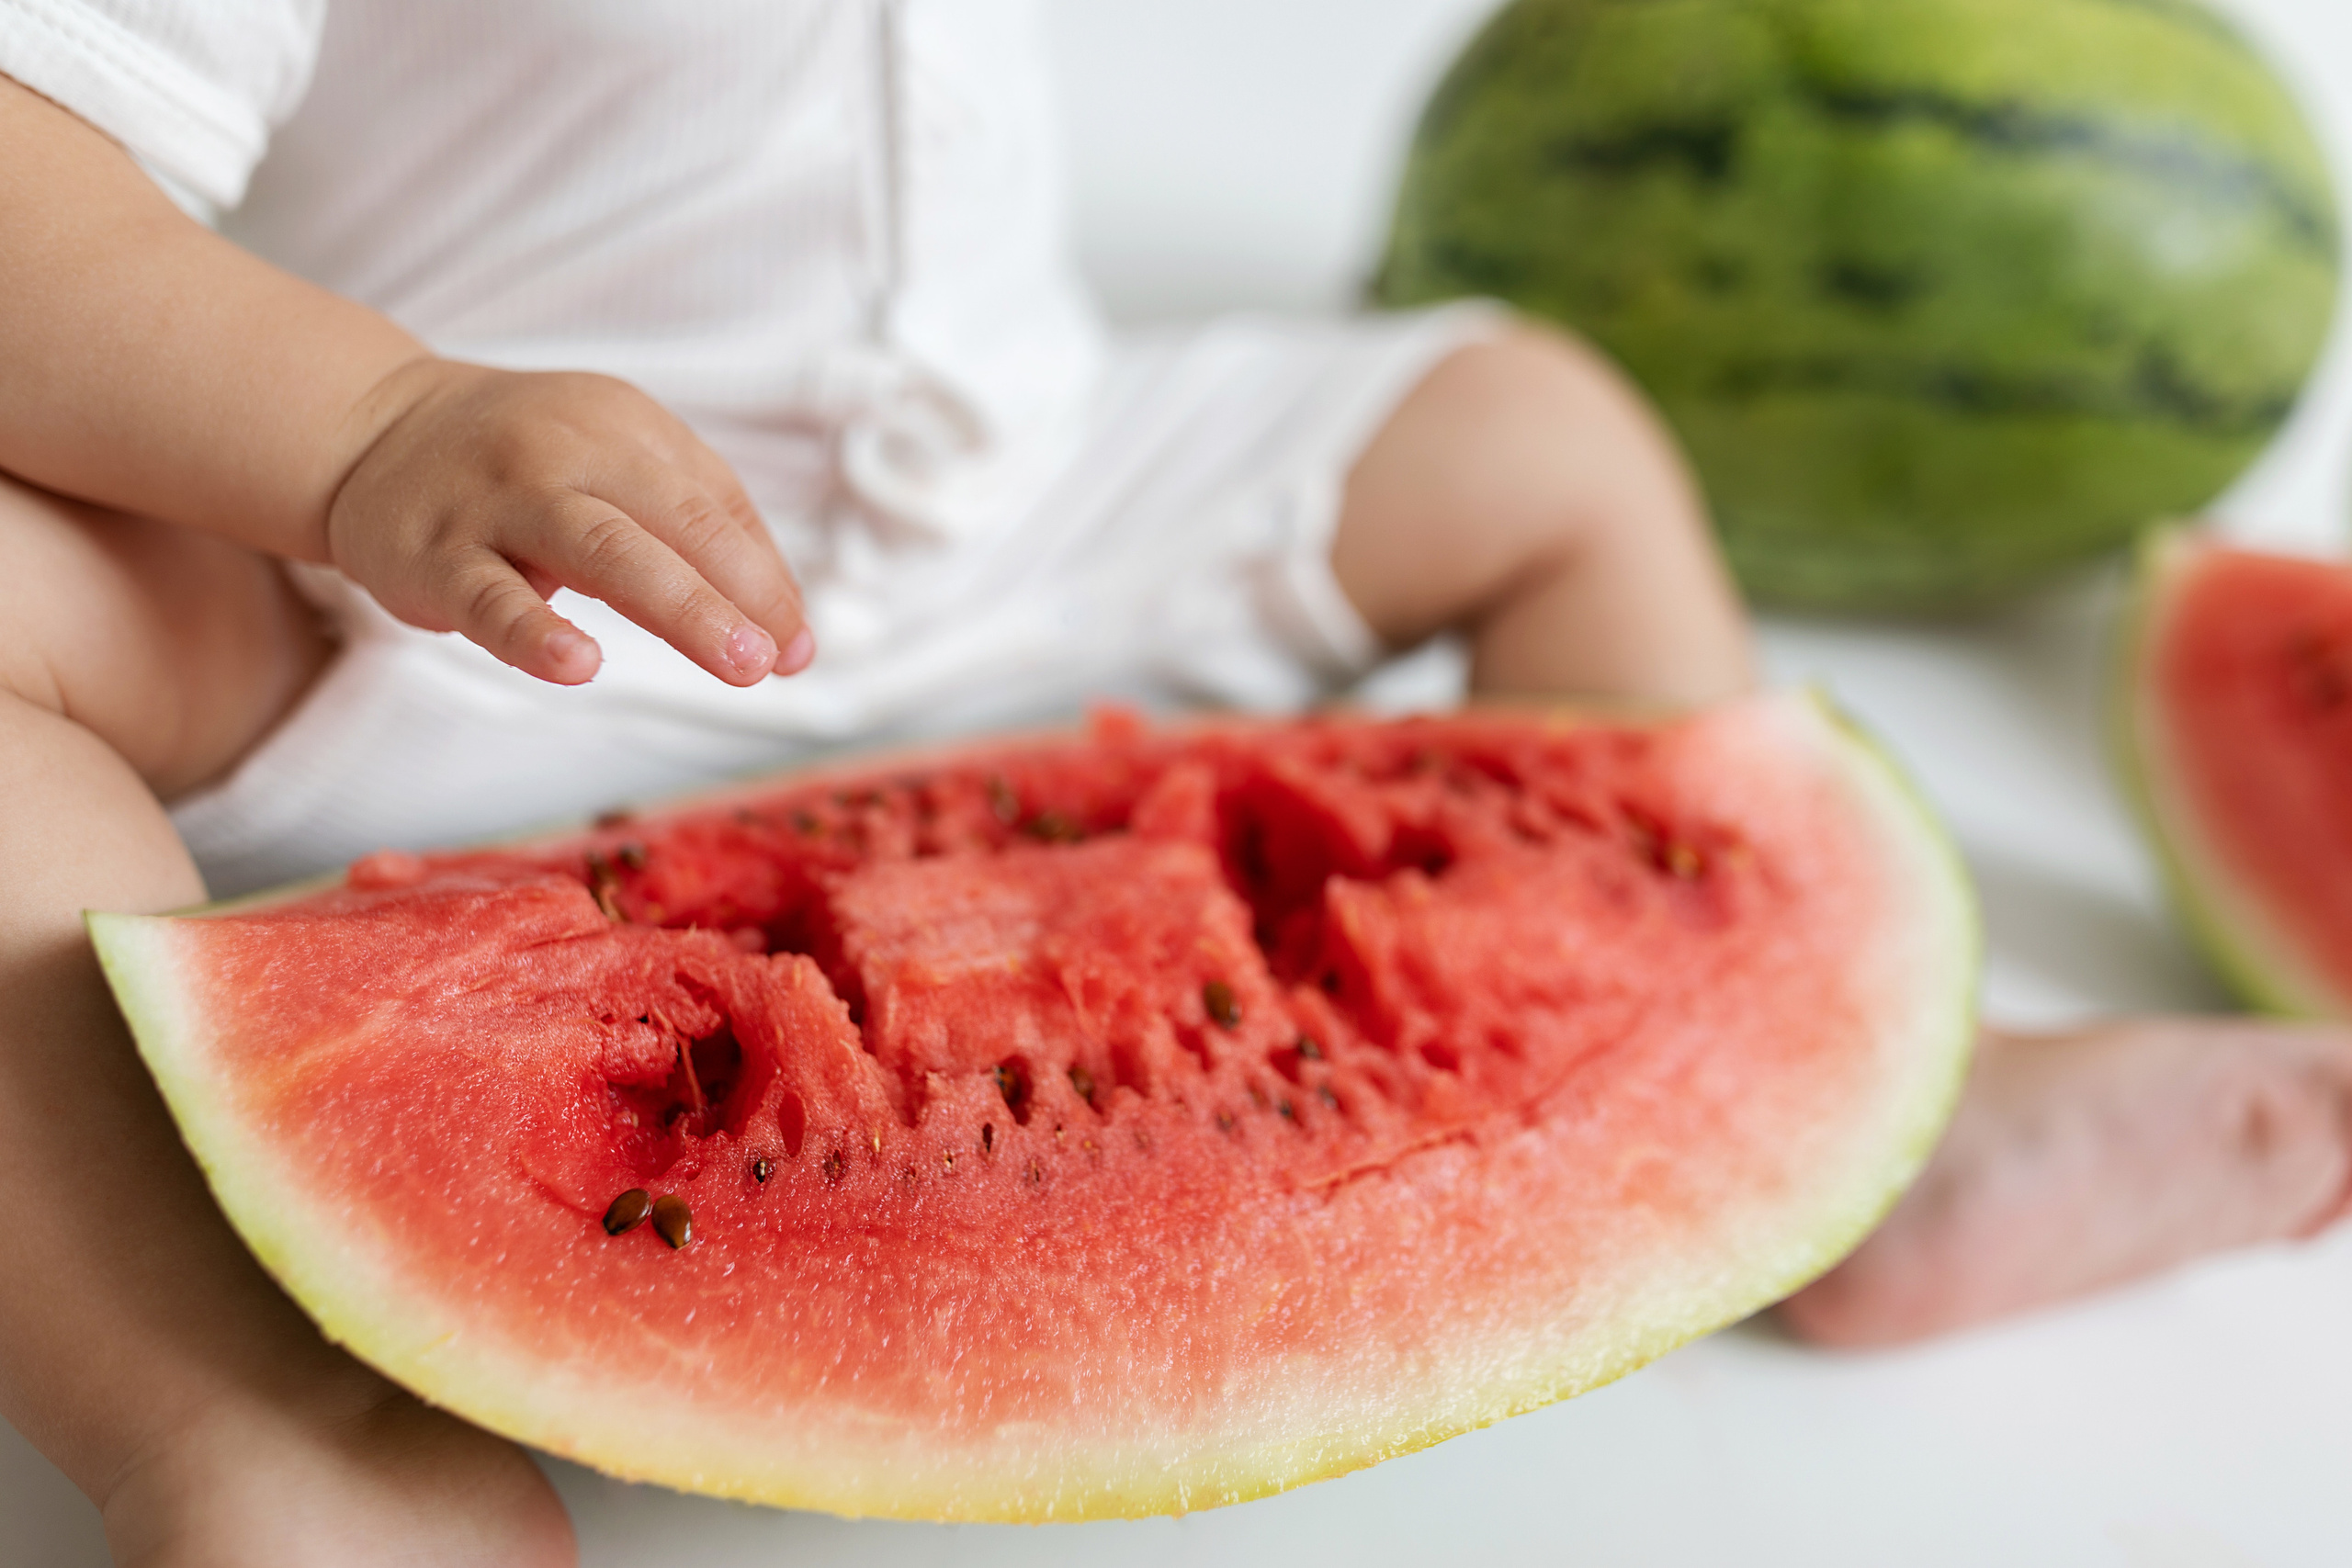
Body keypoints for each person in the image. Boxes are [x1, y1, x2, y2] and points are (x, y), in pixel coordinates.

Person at [0, 6, 2341, 1563]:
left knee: (1531, 426)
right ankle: (250, 1423)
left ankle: (1872, 1114)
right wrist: (371, 431)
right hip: (472, 597)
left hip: (1031, 532)